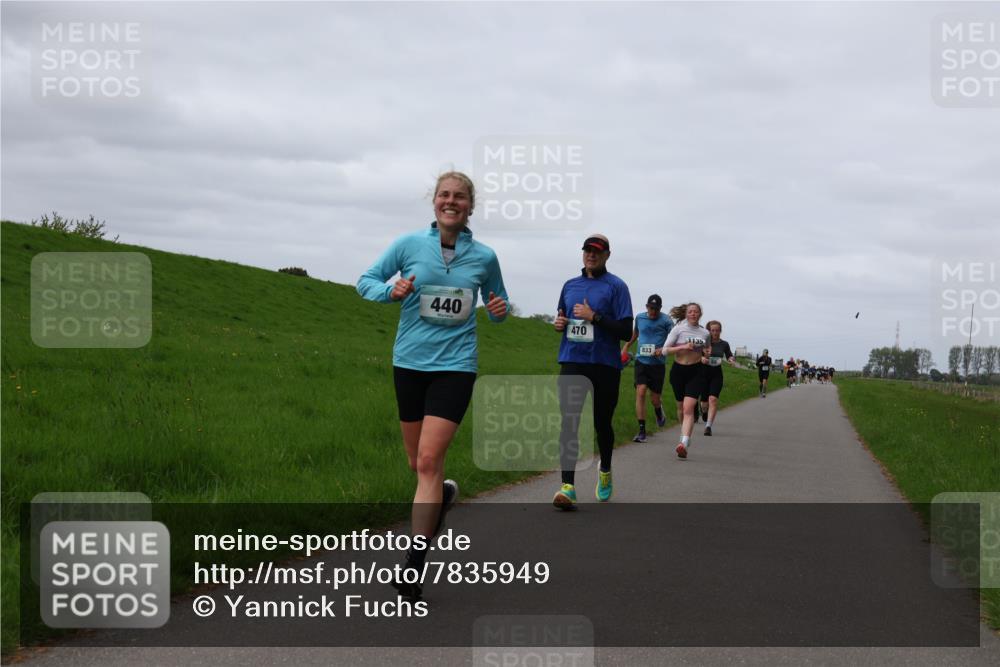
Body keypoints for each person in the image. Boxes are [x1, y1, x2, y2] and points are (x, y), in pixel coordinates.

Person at [356, 171, 509, 599]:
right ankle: (440, 496)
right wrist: (390, 291)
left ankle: (414, 562)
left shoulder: (485, 256)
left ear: (470, 206)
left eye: (459, 196)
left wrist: (498, 310)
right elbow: (365, 281)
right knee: (417, 464)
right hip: (409, 363)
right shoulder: (408, 245)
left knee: (427, 460)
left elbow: (498, 304)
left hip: (456, 366)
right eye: (445, 195)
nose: (451, 201)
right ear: (434, 201)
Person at [552, 235, 633, 509]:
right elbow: (562, 317)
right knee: (569, 423)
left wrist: (595, 317)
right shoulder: (569, 285)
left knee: (602, 423)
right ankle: (567, 486)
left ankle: (605, 469)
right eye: (587, 250)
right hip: (572, 361)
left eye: (597, 251)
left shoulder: (617, 287)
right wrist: (559, 323)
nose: (591, 255)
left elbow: (626, 331)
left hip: (605, 365)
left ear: (607, 255)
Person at [662, 303, 711, 459]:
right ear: (686, 314)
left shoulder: (705, 333)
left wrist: (706, 354)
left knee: (688, 408)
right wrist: (683, 347)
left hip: (696, 372)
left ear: (700, 314)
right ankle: (683, 435)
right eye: (690, 311)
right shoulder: (678, 329)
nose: (693, 314)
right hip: (678, 371)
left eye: (696, 312)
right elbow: (665, 350)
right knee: (681, 409)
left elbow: (707, 349)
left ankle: (684, 443)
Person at [622, 294, 672, 443]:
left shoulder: (667, 321)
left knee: (655, 399)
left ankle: (659, 412)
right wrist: (626, 346)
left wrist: (663, 349)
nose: (653, 312)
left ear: (660, 308)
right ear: (646, 307)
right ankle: (642, 430)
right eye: (651, 308)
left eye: (656, 309)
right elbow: (636, 333)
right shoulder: (640, 318)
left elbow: (673, 338)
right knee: (641, 391)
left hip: (658, 364)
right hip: (641, 362)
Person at [699, 320, 737, 436]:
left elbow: (729, 355)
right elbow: (695, 355)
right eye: (713, 330)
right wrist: (701, 359)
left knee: (713, 399)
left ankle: (708, 426)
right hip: (703, 374)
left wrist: (731, 359)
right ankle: (704, 411)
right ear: (709, 331)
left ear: (720, 331)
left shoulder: (724, 344)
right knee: (704, 403)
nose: (715, 333)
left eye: (717, 330)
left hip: (716, 374)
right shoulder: (703, 342)